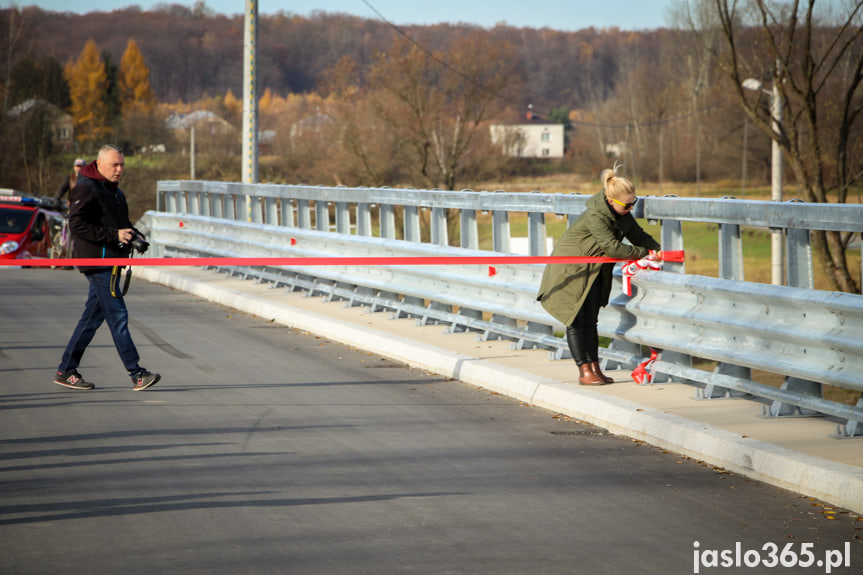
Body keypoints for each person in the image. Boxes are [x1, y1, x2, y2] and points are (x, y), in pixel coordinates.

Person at [536, 165, 660, 386]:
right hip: (571, 271)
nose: (631, 208)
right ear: (611, 200)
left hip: (593, 271)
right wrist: (645, 253)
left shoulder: (621, 214)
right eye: (627, 204)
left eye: (635, 202)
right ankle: (584, 371)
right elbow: (613, 248)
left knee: (591, 321)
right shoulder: (596, 215)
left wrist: (657, 251)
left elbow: (638, 235)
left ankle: (595, 368)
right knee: (576, 320)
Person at [55, 145, 160, 391]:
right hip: (101, 263)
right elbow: (77, 225)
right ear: (100, 164)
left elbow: (121, 224)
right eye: (115, 165)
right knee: (118, 317)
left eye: (122, 164)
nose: (120, 169)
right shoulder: (86, 187)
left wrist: (134, 235)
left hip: (112, 261)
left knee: (91, 320)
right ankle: (137, 374)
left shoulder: (114, 191)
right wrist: (114, 236)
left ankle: (66, 369)